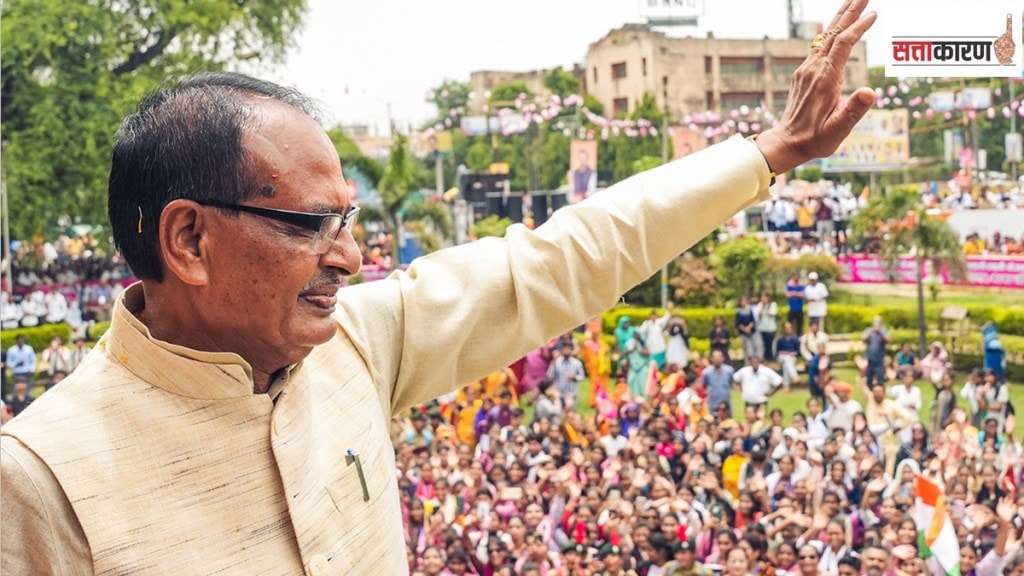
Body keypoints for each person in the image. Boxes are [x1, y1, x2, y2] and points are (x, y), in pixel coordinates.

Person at [0, 5, 881, 571]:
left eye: (348, 221)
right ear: (189, 239)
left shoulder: (360, 344)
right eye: (314, 224)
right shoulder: (38, 479)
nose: (348, 258)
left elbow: (565, 258)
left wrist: (768, 154)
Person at [861, 316, 889, 390]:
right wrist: (872, 332)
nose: (876, 323)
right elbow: (864, 340)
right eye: (875, 321)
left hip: (879, 360)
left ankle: (881, 394)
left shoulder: (884, 331)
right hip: (869, 359)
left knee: (880, 379)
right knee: (869, 380)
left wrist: (879, 332)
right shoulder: (868, 330)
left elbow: (887, 341)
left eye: (878, 322)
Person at [775, 322, 801, 391]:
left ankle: (786, 387)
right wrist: (786, 353)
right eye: (786, 328)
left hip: (792, 358)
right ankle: (794, 376)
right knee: (786, 359)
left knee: (786, 364)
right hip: (782, 357)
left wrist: (792, 353)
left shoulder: (795, 339)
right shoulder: (780, 339)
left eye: (789, 328)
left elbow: (798, 352)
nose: (788, 329)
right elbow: (778, 351)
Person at [753, 293, 778, 362]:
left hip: (771, 328)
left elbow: (772, 314)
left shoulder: (773, 304)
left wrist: (767, 307)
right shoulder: (760, 305)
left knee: (770, 344)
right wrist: (762, 307)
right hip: (762, 328)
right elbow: (757, 315)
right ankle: (764, 357)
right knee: (763, 344)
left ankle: (771, 357)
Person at [735, 296, 759, 364]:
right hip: (744, 333)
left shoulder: (750, 310)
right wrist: (745, 329)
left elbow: (753, 320)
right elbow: (738, 323)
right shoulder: (738, 312)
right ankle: (747, 363)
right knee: (746, 348)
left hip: (751, 332)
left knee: (754, 347)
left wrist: (749, 327)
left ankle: (754, 362)